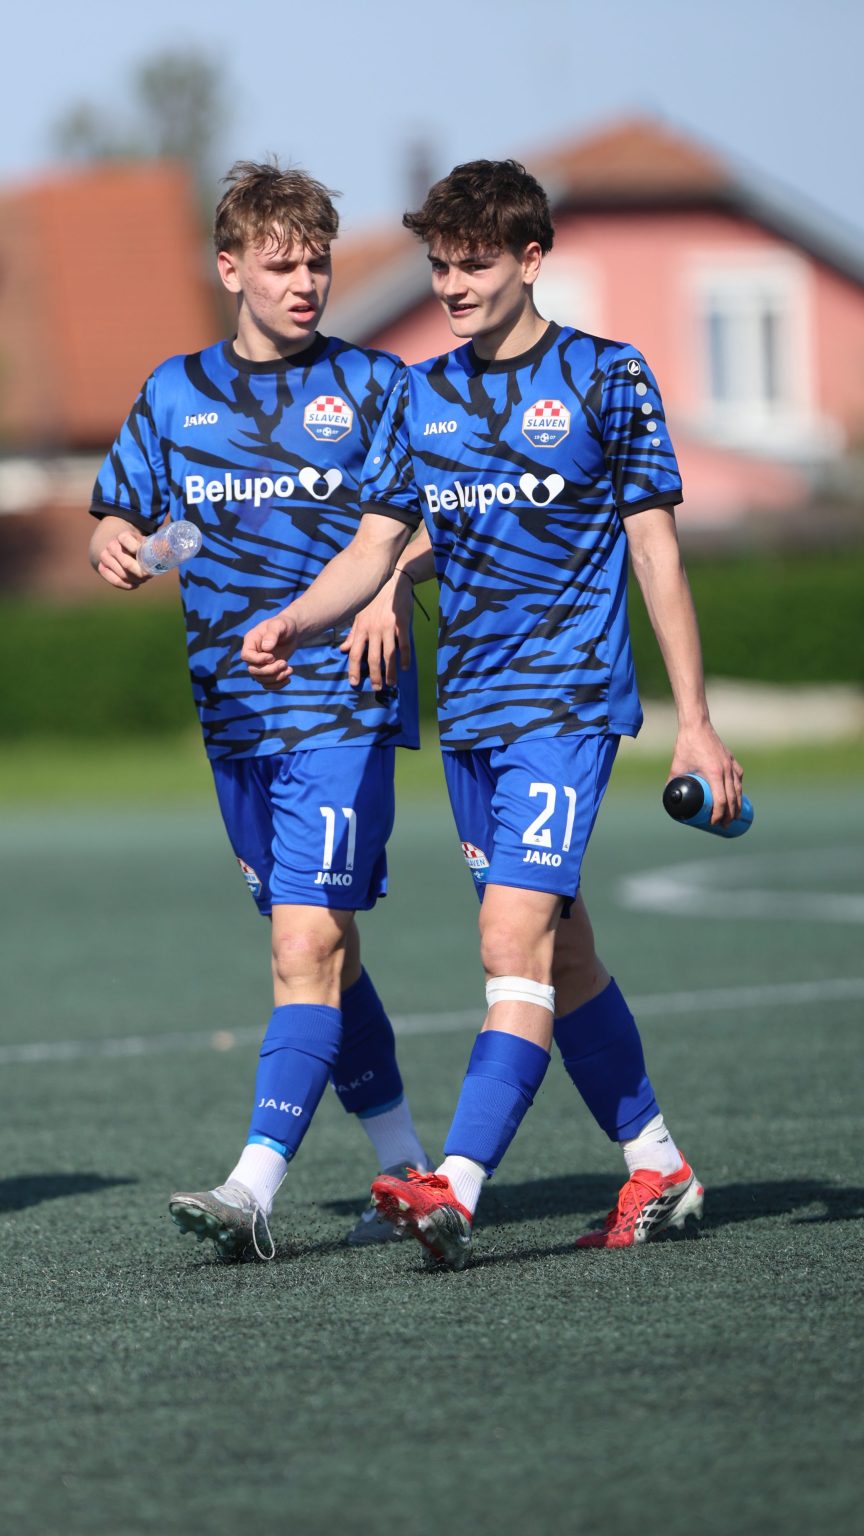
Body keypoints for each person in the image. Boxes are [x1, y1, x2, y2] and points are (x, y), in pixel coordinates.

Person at [241, 157, 745, 1269]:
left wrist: (695, 720)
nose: (453, 285)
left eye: (474, 264)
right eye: (439, 266)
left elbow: (656, 553)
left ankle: (455, 1187)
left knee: (509, 937)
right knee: (562, 955)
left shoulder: (607, 376)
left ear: (531, 258)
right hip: (468, 716)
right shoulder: (418, 393)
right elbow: (377, 545)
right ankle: (659, 1165)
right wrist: (297, 619)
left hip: (566, 704)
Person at [87, 159, 432, 1262]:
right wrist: (123, 546)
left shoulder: (375, 385)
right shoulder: (174, 392)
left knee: (304, 942)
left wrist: (386, 588)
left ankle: (252, 1187)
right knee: (329, 952)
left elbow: (426, 519)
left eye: (317, 263)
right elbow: (150, 522)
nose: (306, 283)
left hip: (338, 703)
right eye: (281, 265)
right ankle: (407, 1167)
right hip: (233, 716)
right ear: (229, 268)